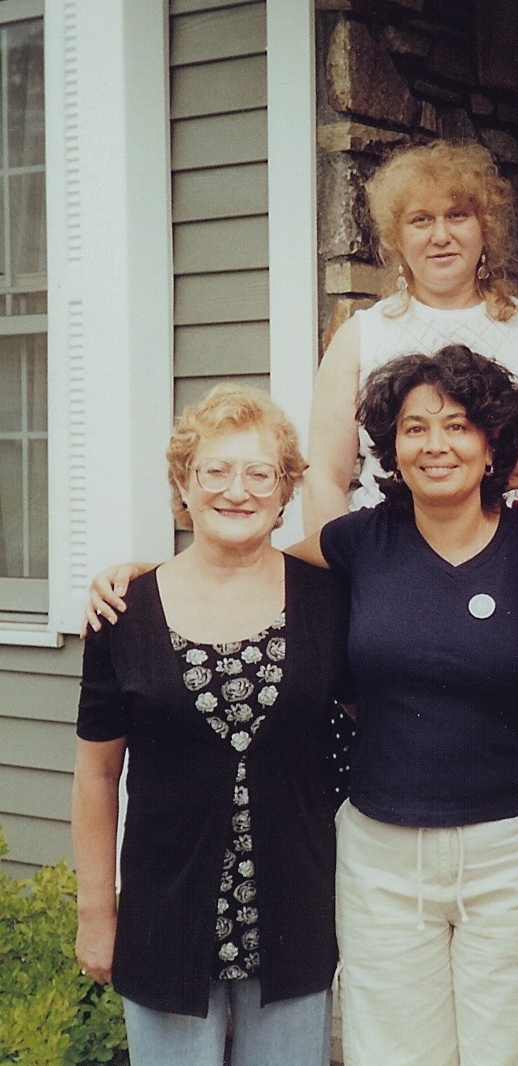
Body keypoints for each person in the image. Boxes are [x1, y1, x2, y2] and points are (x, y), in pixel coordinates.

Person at [84, 348, 518, 1066]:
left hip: (506, 847)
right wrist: (141, 576)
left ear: (492, 440)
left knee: (512, 1050)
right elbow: (240, 554)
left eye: (458, 425)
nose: (435, 444)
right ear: (391, 447)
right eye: (414, 428)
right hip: (378, 854)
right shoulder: (359, 543)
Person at [72, 385, 350, 1066]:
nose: (237, 490)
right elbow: (96, 773)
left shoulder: (327, 599)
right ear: (183, 483)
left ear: (284, 491)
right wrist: (96, 913)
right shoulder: (125, 612)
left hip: (295, 919)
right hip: (163, 918)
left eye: (260, 473)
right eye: (215, 470)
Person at [303, 139, 518, 532]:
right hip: (396, 549)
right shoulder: (362, 337)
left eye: (457, 215)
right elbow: (324, 478)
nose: (441, 235)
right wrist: (340, 562)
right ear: (397, 237)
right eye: (421, 220)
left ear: (485, 227)